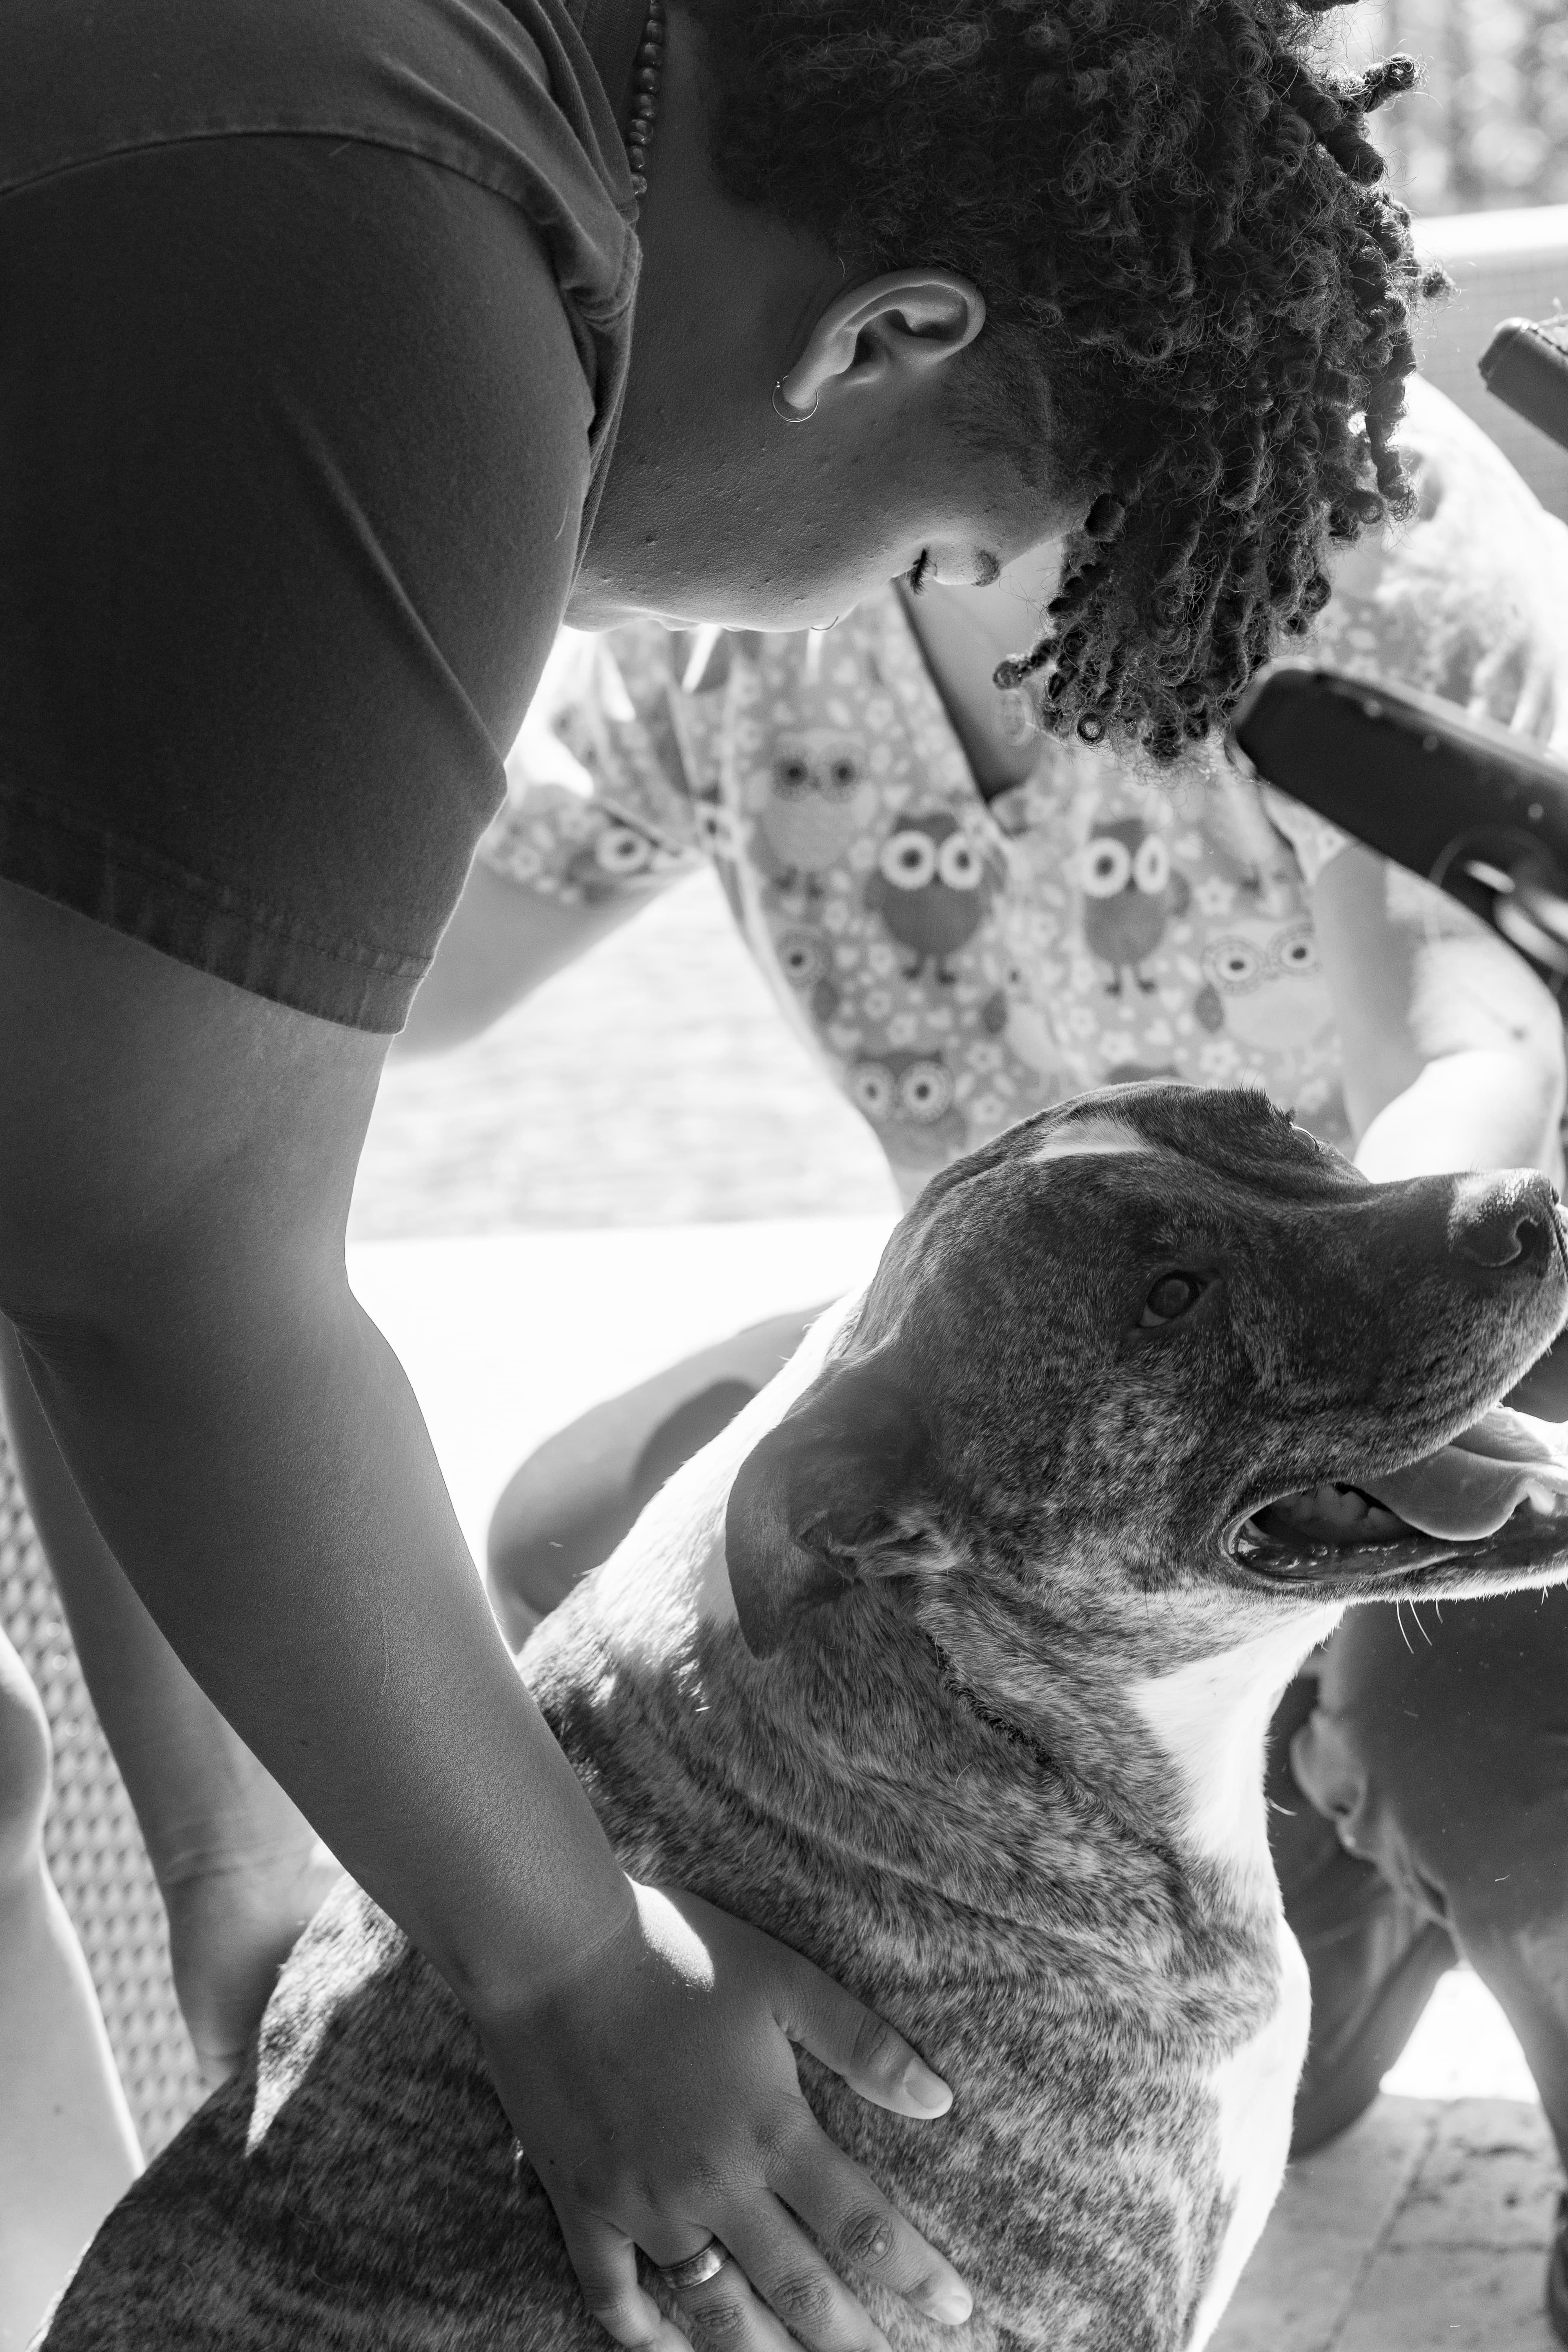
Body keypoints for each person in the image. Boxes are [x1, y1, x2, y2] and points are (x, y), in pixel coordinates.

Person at [0, 0, 1448, 2337]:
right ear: (885, 336)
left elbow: (79, 1178)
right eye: (958, 535)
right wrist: (563, 1966)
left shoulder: (400, 89)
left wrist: (250, 1876)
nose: (919, 606)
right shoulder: (420, 296)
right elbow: (175, 1262)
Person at [397, 376, 1568, 2331]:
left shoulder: (1331, 503)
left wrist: (1367, 1440)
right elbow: (396, 968)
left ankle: (1424, 1867)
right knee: (592, 1545)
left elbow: (1479, 1068)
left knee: (1483, 1749)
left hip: (1402, 1322)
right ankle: (927, 2111)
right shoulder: (745, 578)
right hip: (1048, 1448)